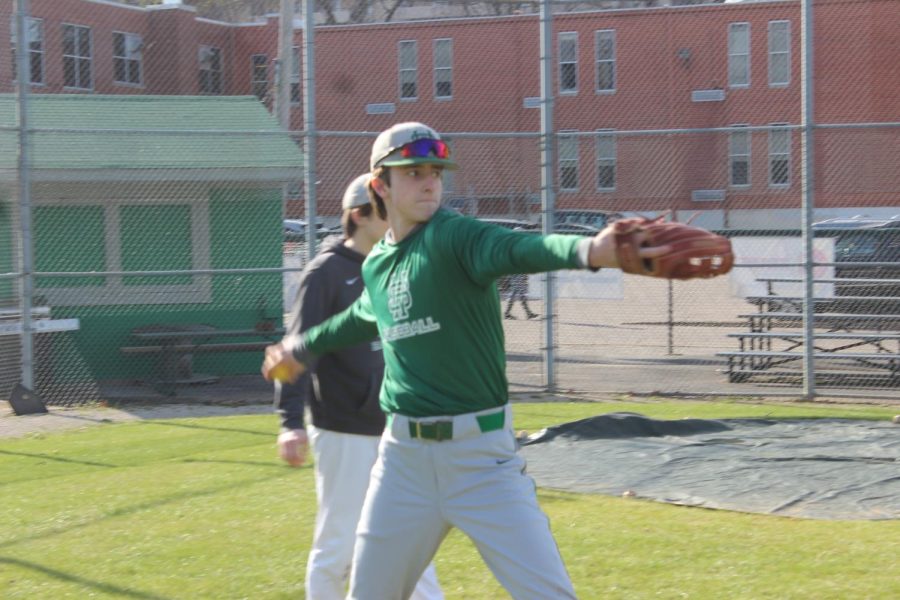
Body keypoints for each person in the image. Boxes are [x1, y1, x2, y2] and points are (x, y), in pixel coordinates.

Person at [263, 122, 670, 599]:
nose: (429, 181)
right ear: (381, 185)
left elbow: (519, 248)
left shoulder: (456, 238)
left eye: (435, 170)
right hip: (402, 464)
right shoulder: (378, 264)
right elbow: (357, 319)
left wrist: (591, 249)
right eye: (412, 171)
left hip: (481, 460)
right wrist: (300, 348)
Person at [275, 173, 443, 600]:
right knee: (339, 542)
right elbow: (297, 351)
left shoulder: (395, 264)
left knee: (411, 534)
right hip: (343, 428)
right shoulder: (326, 273)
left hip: (398, 426)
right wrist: (289, 422)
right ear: (359, 214)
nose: (394, 219)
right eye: (384, 210)